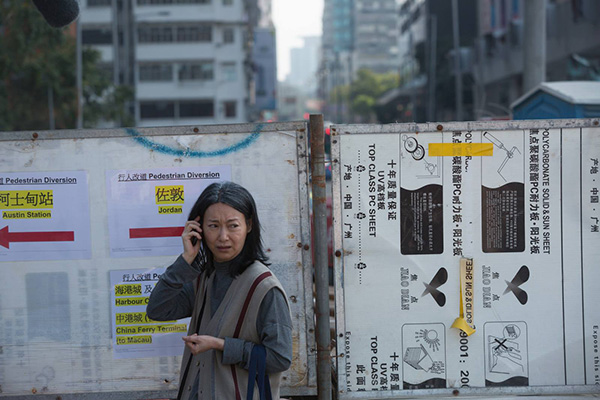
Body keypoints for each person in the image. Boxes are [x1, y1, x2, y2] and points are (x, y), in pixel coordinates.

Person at [147, 181, 293, 400]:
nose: (223, 236)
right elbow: (158, 310)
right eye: (213, 226)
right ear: (199, 229)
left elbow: (279, 358)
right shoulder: (203, 278)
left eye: (233, 225)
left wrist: (220, 345)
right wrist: (186, 260)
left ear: (249, 226)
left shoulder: (264, 287)